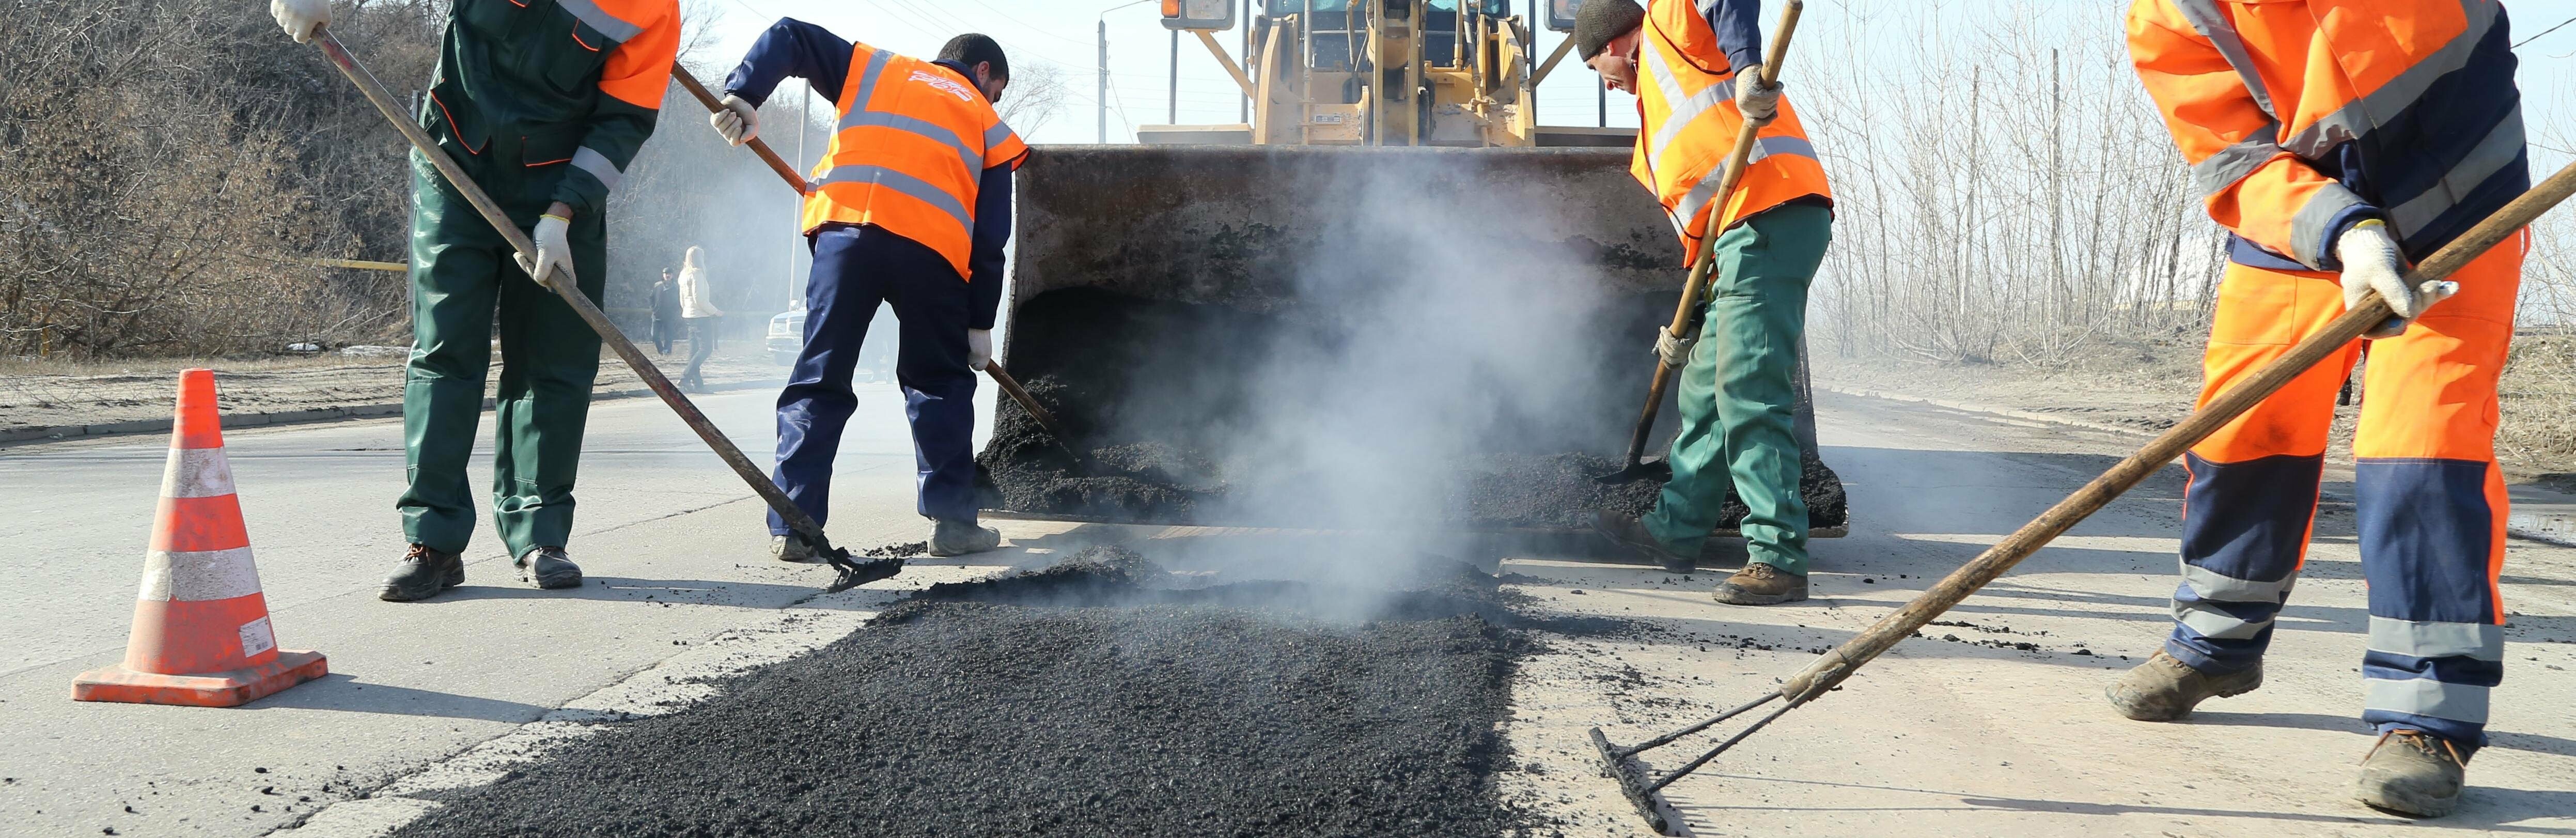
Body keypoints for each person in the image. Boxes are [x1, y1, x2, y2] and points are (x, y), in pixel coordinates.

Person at [2111, 0, 2527, 818]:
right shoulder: (2167, 14)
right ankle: (2215, 641)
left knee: (2420, 454)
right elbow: (2231, 159)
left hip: (2461, 205)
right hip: (2301, 223)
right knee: (2242, 428)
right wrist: (2345, 232)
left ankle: (2427, 718)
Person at [271, 0, 680, 600]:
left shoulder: (651, 8)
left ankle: (540, 533)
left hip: (557, 194)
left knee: (555, 362)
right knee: (445, 351)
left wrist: (563, 212)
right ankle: (433, 542)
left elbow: (624, 119)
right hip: (453, 161)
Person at [709, 22, 1027, 561]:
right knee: (938, 383)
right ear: (982, 74)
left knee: (819, 379)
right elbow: (991, 237)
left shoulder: (877, 67)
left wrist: (745, 92)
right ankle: (953, 524)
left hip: (846, 238)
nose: (993, 100)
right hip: (933, 257)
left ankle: (794, 524)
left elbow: (792, 35)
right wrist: (979, 323)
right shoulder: (987, 124)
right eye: (997, 91)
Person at [1570, 0, 1834, 606]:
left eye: (1594, 69)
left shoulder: (1668, 23)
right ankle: (1673, 530)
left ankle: (1778, 557)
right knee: (1702, 393)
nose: (1605, 84)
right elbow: (1700, 227)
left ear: (1612, 43)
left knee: (1746, 387)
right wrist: (1689, 316)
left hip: (1771, 212)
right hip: (1735, 243)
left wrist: (1746, 69)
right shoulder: (1653, 127)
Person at [677, 246, 723, 392]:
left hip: (689, 315)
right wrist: (715, 312)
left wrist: (686, 310)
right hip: (701, 316)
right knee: (706, 348)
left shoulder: (683, 274)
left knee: (694, 351)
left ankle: (698, 385)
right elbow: (700, 299)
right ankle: (685, 378)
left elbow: (682, 299)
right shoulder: (698, 274)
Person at [651, 268, 682, 355]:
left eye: (670, 274)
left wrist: (676, 311)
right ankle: (661, 351)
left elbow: (680, 300)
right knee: (655, 336)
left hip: (670, 316)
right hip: (657, 316)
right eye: (666, 273)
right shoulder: (657, 285)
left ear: (672, 275)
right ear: (663, 275)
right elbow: (651, 298)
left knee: (669, 336)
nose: (668, 275)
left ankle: (667, 352)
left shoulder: (676, 287)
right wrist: (654, 308)